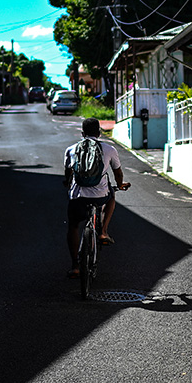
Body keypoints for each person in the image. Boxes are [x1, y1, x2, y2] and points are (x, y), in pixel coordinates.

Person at [63, 117, 130, 278]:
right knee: (111, 196)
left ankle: (75, 266)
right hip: (100, 196)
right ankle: (103, 231)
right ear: (99, 133)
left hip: (78, 197)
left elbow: (68, 174)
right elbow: (118, 173)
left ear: (82, 133)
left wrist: (67, 183)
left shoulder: (71, 150)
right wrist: (120, 184)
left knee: (73, 226)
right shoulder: (109, 149)